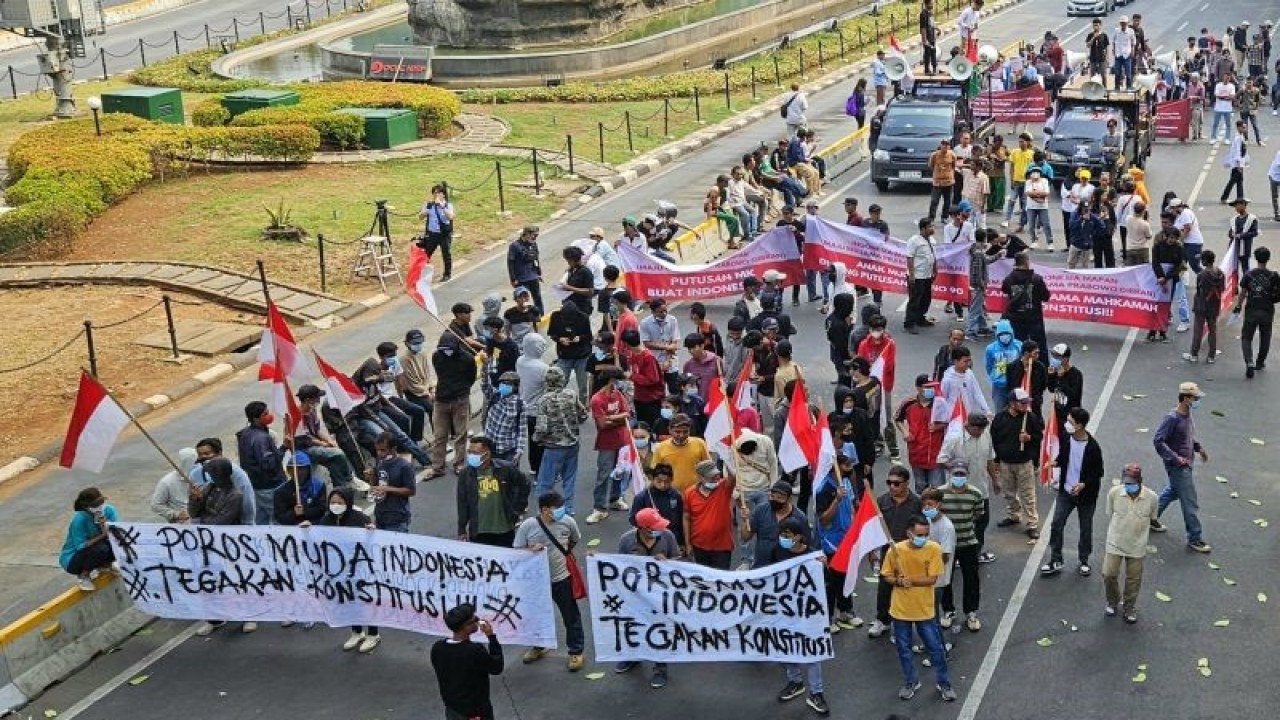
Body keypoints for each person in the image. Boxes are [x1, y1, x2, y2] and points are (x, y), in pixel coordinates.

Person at [882, 516, 958, 702]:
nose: (923, 538)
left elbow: (932, 579)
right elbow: (887, 575)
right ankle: (911, 681)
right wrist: (898, 581)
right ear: (909, 533)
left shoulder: (934, 549)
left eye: (926, 534)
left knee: (936, 649)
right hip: (901, 610)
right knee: (903, 649)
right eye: (919, 535)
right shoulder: (895, 550)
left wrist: (910, 581)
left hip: (925, 609)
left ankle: (944, 683)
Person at [514, 491, 585, 671]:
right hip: (536, 581)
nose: (562, 511)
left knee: (571, 616)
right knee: (536, 615)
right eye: (557, 508)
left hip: (561, 578)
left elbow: (573, 540)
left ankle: (576, 652)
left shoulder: (568, 522)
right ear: (545, 510)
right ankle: (538, 646)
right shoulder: (528, 526)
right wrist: (530, 549)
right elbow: (517, 550)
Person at [771, 516, 831, 716]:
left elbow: (827, 583)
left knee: (812, 652)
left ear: (799, 537)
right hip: (784, 609)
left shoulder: (813, 556)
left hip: (808, 612)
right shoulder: (777, 551)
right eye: (781, 534)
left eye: (787, 535)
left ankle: (817, 692)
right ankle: (795, 681)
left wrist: (823, 566)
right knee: (787, 646)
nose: (783, 538)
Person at [614, 508, 680, 689]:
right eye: (654, 527)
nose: (659, 529)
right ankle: (633, 657)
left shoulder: (667, 536)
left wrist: (667, 562)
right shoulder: (626, 540)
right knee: (634, 626)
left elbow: (678, 561)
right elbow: (616, 565)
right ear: (642, 528)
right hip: (636, 595)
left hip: (660, 595)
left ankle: (660, 668)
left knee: (659, 630)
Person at [190, 457, 253, 636]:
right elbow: (193, 512)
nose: (209, 477)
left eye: (212, 474)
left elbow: (222, 521)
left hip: (230, 543)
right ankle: (214, 618)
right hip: (209, 544)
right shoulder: (208, 489)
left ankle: (248, 615)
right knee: (210, 580)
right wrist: (195, 499)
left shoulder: (236, 495)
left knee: (238, 579)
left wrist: (204, 520)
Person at [1042, 407, 1104, 577]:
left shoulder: (1093, 448)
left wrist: (1084, 484)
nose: (1067, 424)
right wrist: (1055, 463)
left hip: (1086, 497)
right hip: (1066, 492)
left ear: (1079, 425)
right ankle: (1056, 558)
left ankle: (1084, 560)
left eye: (1070, 421)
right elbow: (1064, 457)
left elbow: (1098, 473)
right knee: (1056, 524)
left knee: (1085, 528)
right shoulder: (1066, 438)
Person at [1150, 382, 1211, 553]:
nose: (1197, 401)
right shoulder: (1172, 418)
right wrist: (1176, 459)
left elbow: (1188, 437)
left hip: (1186, 463)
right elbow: (1158, 440)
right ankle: (1195, 537)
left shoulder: (1187, 415)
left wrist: (1199, 448)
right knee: (1190, 502)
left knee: (1173, 491)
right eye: (1195, 398)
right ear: (1185, 398)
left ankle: (1151, 517)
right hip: (1179, 466)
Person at [867, 466, 923, 638]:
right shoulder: (882, 501)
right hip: (888, 551)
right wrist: (872, 551)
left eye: (896, 483)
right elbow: (873, 527)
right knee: (885, 586)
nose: (892, 487)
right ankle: (883, 620)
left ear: (906, 483)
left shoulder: (917, 503)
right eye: (889, 483)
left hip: (910, 551)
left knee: (909, 587)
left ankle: (908, 623)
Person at [1103, 465, 1159, 624]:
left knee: (1133, 579)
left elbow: (1153, 517)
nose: (1129, 487)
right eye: (1126, 483)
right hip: (1115, 542)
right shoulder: (1114, 493)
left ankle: (1129, 607)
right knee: (1109, 574)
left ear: (1140, 481)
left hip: (1137, 545)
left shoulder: (1152, 497)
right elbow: (1110, 513)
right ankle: (1112, 601)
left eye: (1132, 483)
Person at [431, 603, 504, 720]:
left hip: (452, 709)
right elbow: (496, 667)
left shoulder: (437, 648)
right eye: (475, 619)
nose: (477, 621)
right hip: (475, 712)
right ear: (466, 626)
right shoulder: (474, 651)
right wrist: (491, 637)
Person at [457, 435, 530, 547]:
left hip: (504, 530)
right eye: (469, 452)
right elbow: (462, 502)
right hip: (479, 531)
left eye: (475, 453)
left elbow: (524, 484)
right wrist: (461, 529)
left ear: (487, 453)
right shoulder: (465, 474)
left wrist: (518, 509)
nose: (471, 456)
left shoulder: (506, 468)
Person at [532, 367, 587, 516]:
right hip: (573, 444)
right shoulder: (571, 394)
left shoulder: (544, 400)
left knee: (546, 482)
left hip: (553, 447)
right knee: (569, 479)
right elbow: (583, 414)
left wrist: (536, 439)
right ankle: (568, 509)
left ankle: (544, 511)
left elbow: (542, 427)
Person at [991, 388, 1045, 539]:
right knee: (1008, 492)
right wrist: (996, 461)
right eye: (1022, 403)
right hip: (1005, 462)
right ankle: (1014, 515)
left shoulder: (1031, 418)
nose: (1026, 405)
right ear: (1012, 403)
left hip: (1024, 462)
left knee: (1028, 494)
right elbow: (994, 440)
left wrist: (1029, 438)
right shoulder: (1000, 418)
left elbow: (1039, 436)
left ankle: (1032, 524)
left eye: (1027, 402)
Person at [938, 465, 985, 630]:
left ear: (967, 475)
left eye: (962, 474)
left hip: (968, 542)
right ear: (949, 474)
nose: (958, 477)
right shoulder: (940, 493)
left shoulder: (975, 493)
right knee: (945, 579)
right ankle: (948, 610)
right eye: (956, 474)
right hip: (946, 545)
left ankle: (971, 612)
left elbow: (978, 514)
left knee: (971, 579)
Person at [429, 333, 478, 479]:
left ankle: (459, 464)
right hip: (441, 400)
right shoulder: (437, 356)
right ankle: (438, 467)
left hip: (460, 399)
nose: (446, 351)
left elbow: (471, 378)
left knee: (461, 434)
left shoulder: (467, 359)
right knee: (439, 436)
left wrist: (461, 390)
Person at [587, 366, 632, 523]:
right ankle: (599, 508)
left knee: (620, 472)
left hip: (623, 440)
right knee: (604, 475)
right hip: (606, 443)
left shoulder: (618, 394)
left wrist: (611, 418)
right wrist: (619, 419)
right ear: (611, 380)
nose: (620, 383)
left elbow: (628, 413)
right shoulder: (597, 399)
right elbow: (602, 425)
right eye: (617, 380)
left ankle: (615, 499)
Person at [293, 385, 357, 489]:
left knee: (334, 461)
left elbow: (317, 430)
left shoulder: (312, 410)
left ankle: (340, 488)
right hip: (304, 449)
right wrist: (324, 444)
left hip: (315, 444)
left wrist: (329, 441)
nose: (319, 400)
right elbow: (306, 438)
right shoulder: (296, 416)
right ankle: (350, 478)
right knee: (338, 453)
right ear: (308, 400)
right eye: (317, 397)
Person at [59, 487, 118, 592]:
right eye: (95, 505)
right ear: (87, 507)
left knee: (116, 542)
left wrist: (103, 525)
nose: (99, 507)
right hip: (74, 560)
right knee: (101, 548)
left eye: (101, 502)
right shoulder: (79, 520)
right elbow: (81, 546)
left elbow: (117, 532)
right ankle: (84, 576)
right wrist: (103, 535)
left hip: (96, 550)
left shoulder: (109, 511)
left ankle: (106, 564)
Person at [236, 401, 285, 526]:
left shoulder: (245, 434)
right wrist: (284, 448)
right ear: (255, 418)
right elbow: (268, 464)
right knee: (279, 519)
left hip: (255, 485)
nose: (269, 415)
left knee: (260, 520)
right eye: (265, 413)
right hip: (269, 486)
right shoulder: (261, 438)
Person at [1233, 245, 1280, 377]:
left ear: (1255, 258)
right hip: (1267, 310)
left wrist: (1238, 306)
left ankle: (1249, 362)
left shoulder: (1249, 274)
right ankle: (1260, 362)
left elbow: (1242, 293)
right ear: (1268, 259)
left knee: (1246, 337)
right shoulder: (1274, 275)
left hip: (1251, 310)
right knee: (1266, 336)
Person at [895, 375, 946, 493]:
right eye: (927, 387)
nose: (931, 389)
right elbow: (897, 419)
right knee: (921, 488)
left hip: (935, 454)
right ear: (918, 388)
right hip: (916, 452)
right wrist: (905, 432)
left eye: (932, 386)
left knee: (937, 490)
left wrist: (938, 426)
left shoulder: (940, 403)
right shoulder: (908, 403)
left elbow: (950, 422)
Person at [682, 460, 737, 569]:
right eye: (712, 476)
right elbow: (686, 518)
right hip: (699, 546)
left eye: (717, 475)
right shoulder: (689, 493)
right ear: (701, 477)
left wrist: (727, 456)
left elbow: (734, 477)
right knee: (705, 581)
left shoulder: (724, 487)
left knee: (721, 580)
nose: (716, 478)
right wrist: (688, 544)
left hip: (722, 547)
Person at [1000, 252, 1051, 353]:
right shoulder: (1036, 279)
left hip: (1015, 317)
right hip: (1034, 317)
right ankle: (1041, 367)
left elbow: (1005, 290)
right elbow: (1046, 297)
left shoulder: (1008, 279)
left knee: (1018, 345)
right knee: (1039, 345)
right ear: (1027, 262)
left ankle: (1020, 366)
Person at [548, 296, 593, 401]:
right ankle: (557, 405)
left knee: (582, 386)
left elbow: (589, 336)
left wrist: (580, 338)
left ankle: (582, 407)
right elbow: (552, 334)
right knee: (560, 383)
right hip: (564, 355)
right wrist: (560, 339)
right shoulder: (555, 317)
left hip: (582, 356)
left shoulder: (584, 318)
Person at [1184, 249, 1226, 364]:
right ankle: (1211, 356)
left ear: (1205, 261)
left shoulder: (1202, 275)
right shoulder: (1221, 273)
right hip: (1214, 304)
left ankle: (1194, 354)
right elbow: (1222, 288)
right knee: (1213, 330)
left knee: (1198, 329)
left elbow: (1199, 290)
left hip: (1201, 305)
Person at [271, 451, 326, 526]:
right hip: (292, 529)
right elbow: (279, 517)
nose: (297, 472)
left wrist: (305, 511)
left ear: (308, 469)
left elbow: (322, 509)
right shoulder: (281, 491)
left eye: (301, 469)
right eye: (293, 469)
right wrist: (294, 513)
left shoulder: (319, 486)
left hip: (314, 526)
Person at [904, 218, 938, 334]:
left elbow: (933, 256)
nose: (933, 229)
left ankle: (920, 318)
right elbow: (910, 258)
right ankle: (909, 323)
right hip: (917, 276)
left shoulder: (932, 240)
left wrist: (935, 270)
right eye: (930, 227)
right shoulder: (914, 241)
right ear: (923, 228)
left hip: (927, 275)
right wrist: (912, 275)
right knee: (914, 300)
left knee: (926, 298)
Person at [417, 183, 456, 282]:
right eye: (434, 193)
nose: (436, 195)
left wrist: (442, 207)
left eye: (438, 193)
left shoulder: (448, 205)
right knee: (426, 254)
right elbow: (420, 217)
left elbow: (451, 217)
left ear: (443, 194)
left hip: (444, 234)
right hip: (432, 234)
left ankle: (447, 274)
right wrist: (427, 210)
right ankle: (423, 275)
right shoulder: (429, 205)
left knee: (446, 254)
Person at [150, 447, 199, 522]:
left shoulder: (203, 478)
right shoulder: (167, 482)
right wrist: (175, 514)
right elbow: (156, 505)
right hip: (180, 525)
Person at [984, 319, 1022, 414]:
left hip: (1015, 382)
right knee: (1000, 410)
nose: (1004, 336)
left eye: (1007, 333)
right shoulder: (991, 348)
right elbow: (989, 366)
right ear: (998, 335)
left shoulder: (1019, 345)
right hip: (999, 385)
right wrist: (995, 376)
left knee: (1017, 409)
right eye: (1002, 334)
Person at [1005, 340, 1048, 420]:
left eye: (1038, 353)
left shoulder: (1040, 367)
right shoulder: (1012, 367)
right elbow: (1010, 386)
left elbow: (1043, 385)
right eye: (1035, 353)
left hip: (1034, 403)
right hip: (1017, 403)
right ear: (1026, 354)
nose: (1037, 356)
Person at [507, 225, 544, 311]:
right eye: (534, 235)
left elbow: (536, 258)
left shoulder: (533, 244)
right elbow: (510, 262)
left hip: (533, 276)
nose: (535, 238)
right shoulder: (515, 246)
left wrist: (538, 272)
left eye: (536, 236)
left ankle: (539, 316)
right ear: (527, 234)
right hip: (521, 278)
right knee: (522, 299)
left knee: (537, 298)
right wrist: (513, 278)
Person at [1221, 120, 1250, 204]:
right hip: (1236, 163)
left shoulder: (1241, 136)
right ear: (1238, 128)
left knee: (1239, 180)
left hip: (1239, 162)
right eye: (1243, 127)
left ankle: (1240, 198)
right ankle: (1224, 198)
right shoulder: (1238, 138)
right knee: (1233, 181)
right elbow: (1237, 152)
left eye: (1245, 127)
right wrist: (1239, 165)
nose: (1245, 129)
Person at [927, 141, 956, 222]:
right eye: (944, 145)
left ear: (949, 146)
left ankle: (944, 217)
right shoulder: (935, 155)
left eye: (947, 145)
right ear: (941, 145)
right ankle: (931, 218)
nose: (945, 146)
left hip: (949, 182)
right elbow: (931, 165)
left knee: (947, 201)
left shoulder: (952, 155)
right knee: (934, 201)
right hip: (937, 182)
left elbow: (954, 166)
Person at [1229, 198, 1260, 271]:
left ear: (1244, 205)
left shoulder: (1252, 218)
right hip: (1234, 247)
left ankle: (1246, 282)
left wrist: (1241, 235)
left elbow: (1254, 232)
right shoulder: (1234, 219)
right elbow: (1230, 232)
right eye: (1235, 206)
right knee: (1233, 268)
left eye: (1237, 206)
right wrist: (1232, 234)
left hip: (1245, 248)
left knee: (1245, 267)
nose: (1236, 208)